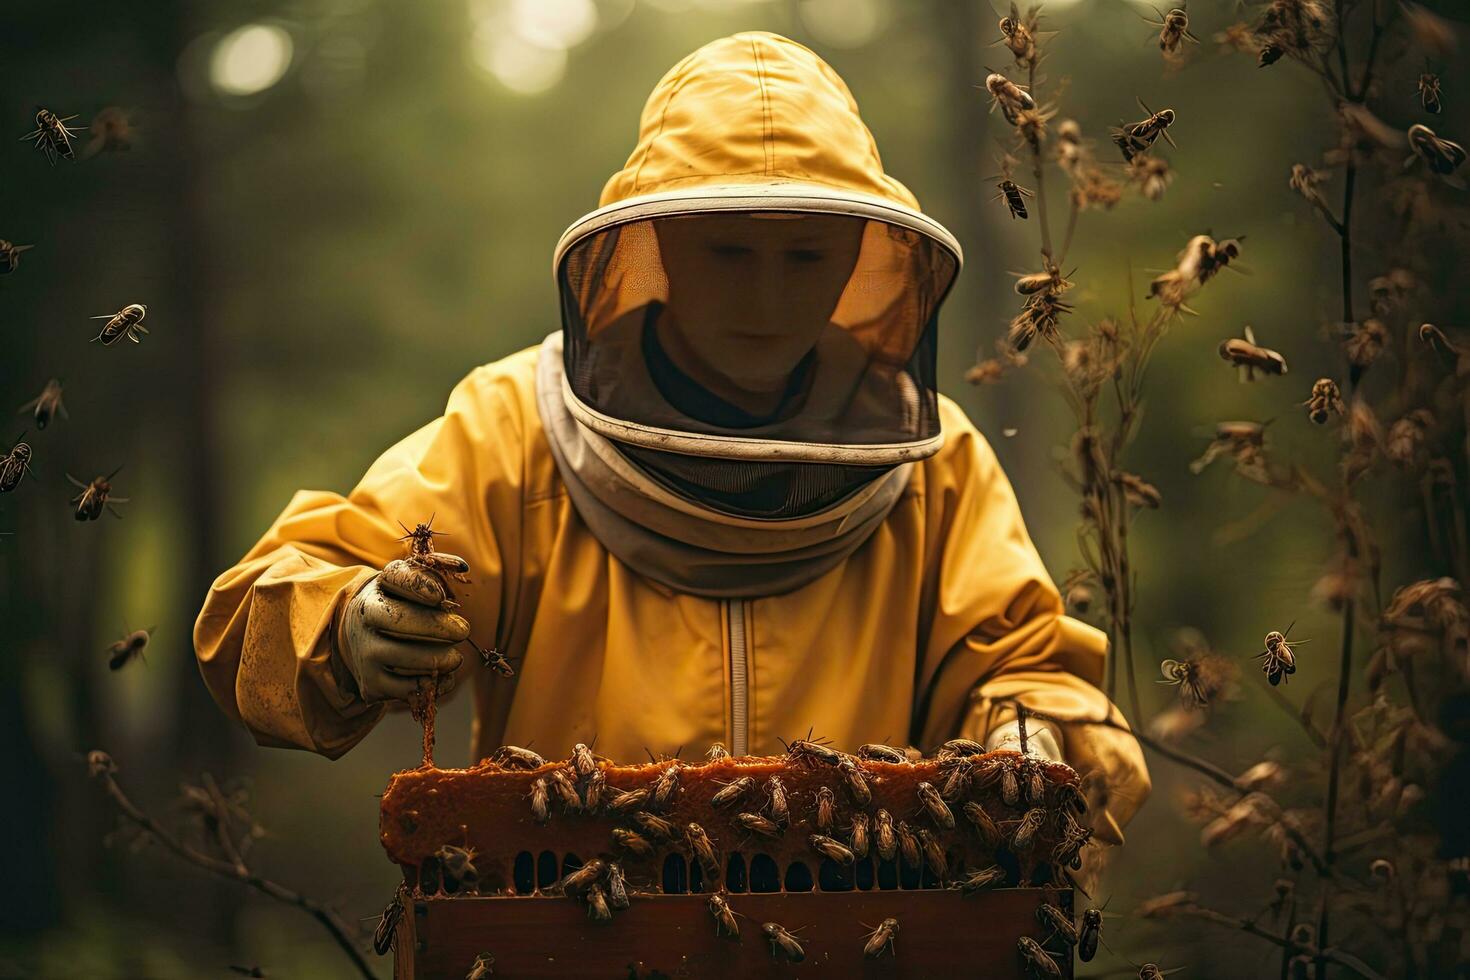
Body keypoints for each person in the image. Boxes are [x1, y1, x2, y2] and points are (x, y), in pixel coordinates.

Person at [193, 31, 1149, 847]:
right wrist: (347, 630)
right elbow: (263, 611)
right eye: (729, 249)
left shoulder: (937, 464)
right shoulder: (510, 430)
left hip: (856, 934)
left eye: (806, 254)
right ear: (656, 246)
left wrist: (1039, 739)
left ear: (862, 252)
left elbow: (1029, 669)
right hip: (565, 929)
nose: (768, 299)